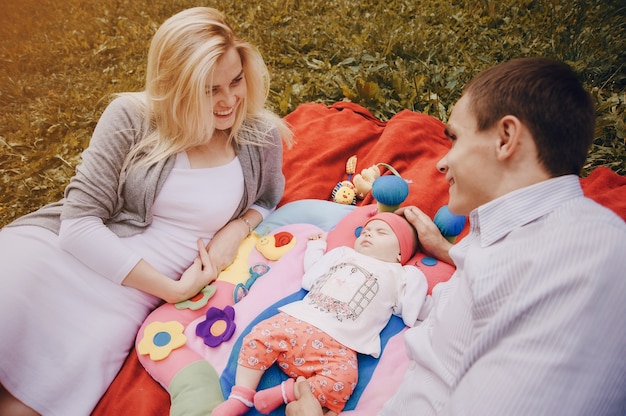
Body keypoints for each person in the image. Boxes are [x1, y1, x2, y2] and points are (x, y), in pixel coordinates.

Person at [285, 57, 626, 416]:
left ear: (506, 139)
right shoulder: (521, 233)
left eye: (456, 139)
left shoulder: (584, 266)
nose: (442, 163)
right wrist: (446, 250)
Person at [0, 7, 292, 416]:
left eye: (236, 80)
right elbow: (78, 225)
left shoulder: (258, 136)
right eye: (209, 90)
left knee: (34, 401)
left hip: (122, 301)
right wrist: (172, 290)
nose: (229, 101)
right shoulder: (132, 117)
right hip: (56, 261)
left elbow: (267, 198)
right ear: (175, 86)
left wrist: (239, 227)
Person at [213, 212, 429, 416]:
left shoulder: (401, 275)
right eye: (365, 231)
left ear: (401, 253)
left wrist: (429, 289)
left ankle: (285, 393)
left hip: (340, 346)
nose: (368, 234)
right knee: (259, 335)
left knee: (343, 381)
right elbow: (312, 275)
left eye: (381, 232)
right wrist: (316, 247)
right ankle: (240, 396)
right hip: (298, 321)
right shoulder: (343, 254)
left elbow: (414, 310)